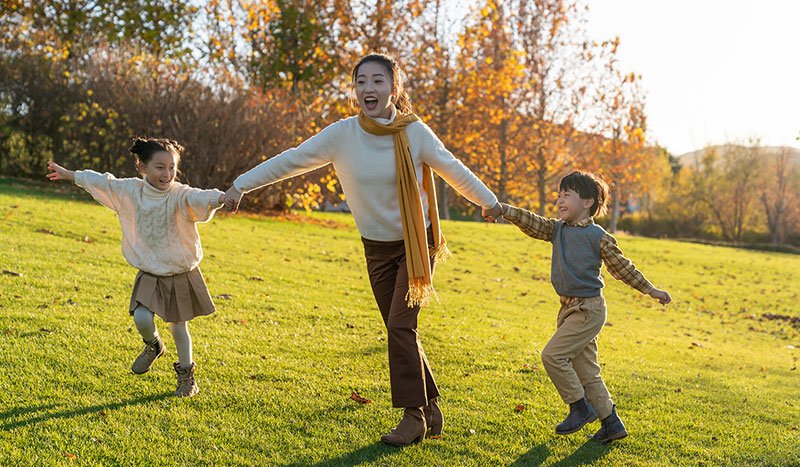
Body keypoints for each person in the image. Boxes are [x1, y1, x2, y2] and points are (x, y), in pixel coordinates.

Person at [224, 53, 504, 445]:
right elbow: (290, 161)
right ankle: (429, 404)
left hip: (415, 243)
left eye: (377, 81)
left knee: (400, 325)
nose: (368, 89)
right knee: (399, 329)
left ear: (394, 87)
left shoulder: (414, 132)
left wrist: (489, 201)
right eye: (361, 82)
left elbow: (452, 167)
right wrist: (241, 184)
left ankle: (413, 418)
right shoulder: (341, 135)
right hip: (376, 248)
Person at [499, 170, 671, 443]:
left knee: (553, 356)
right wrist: (504, 209)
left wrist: (651, 290)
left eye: (567, 194)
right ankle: (612, 423)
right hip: (568, 309)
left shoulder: (597, 236)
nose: (560, 200)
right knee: (587, 371)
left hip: (589, 310)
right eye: (558, 195)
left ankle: (580, 407)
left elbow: (622, 268)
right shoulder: (556, 229)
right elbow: (531, 222)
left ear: (588, 201)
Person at [46, 137, 226, 397]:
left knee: (178, 327)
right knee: (141, 317)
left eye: (172, 167)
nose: (167, 174)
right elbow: (103, 182)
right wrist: (71, 175)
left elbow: (199, 196)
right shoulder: (132, 190)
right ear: (142, 167)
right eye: (160, 167)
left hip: (179, 271)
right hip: (150, 271)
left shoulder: (179, 194)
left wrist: (220, 198)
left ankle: (187, 378)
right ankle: (153, 345)